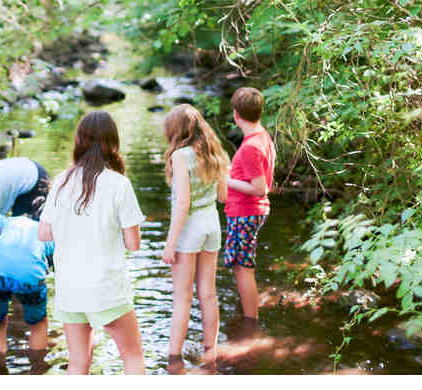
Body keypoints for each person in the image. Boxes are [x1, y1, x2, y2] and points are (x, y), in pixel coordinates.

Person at [37, 111, 146, 375]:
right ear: (113, 143)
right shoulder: (119, 184)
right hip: (107, 288)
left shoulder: (61, 181)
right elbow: (133, 244)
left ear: (79, 141)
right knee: (132, 358)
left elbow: (44, 233)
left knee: (78, 363)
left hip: (70, 288)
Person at [161, 104, 229, 374]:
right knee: (208, 294)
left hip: (190, 228)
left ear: (175, 131)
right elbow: (223, 196)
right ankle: (210, 355)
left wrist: (170, 243)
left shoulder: (180, 156)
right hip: (212, 223)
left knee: (182, 298)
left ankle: (173, 360)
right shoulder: (214, 150)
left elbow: (183, 203)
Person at [0, 202, 53, 375]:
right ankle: (37, 368)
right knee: (38, 324)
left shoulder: (10, 222)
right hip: (29, 276)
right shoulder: (50, 233)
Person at [224, 87, 276, 321]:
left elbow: (260, 188)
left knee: (243, 268)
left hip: (245, 211)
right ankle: (247, 314)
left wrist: (226, 180)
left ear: (236, 115)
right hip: (249, 211)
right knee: (240, 264)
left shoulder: (250, 147)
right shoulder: (262, 136)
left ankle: (250, 322)